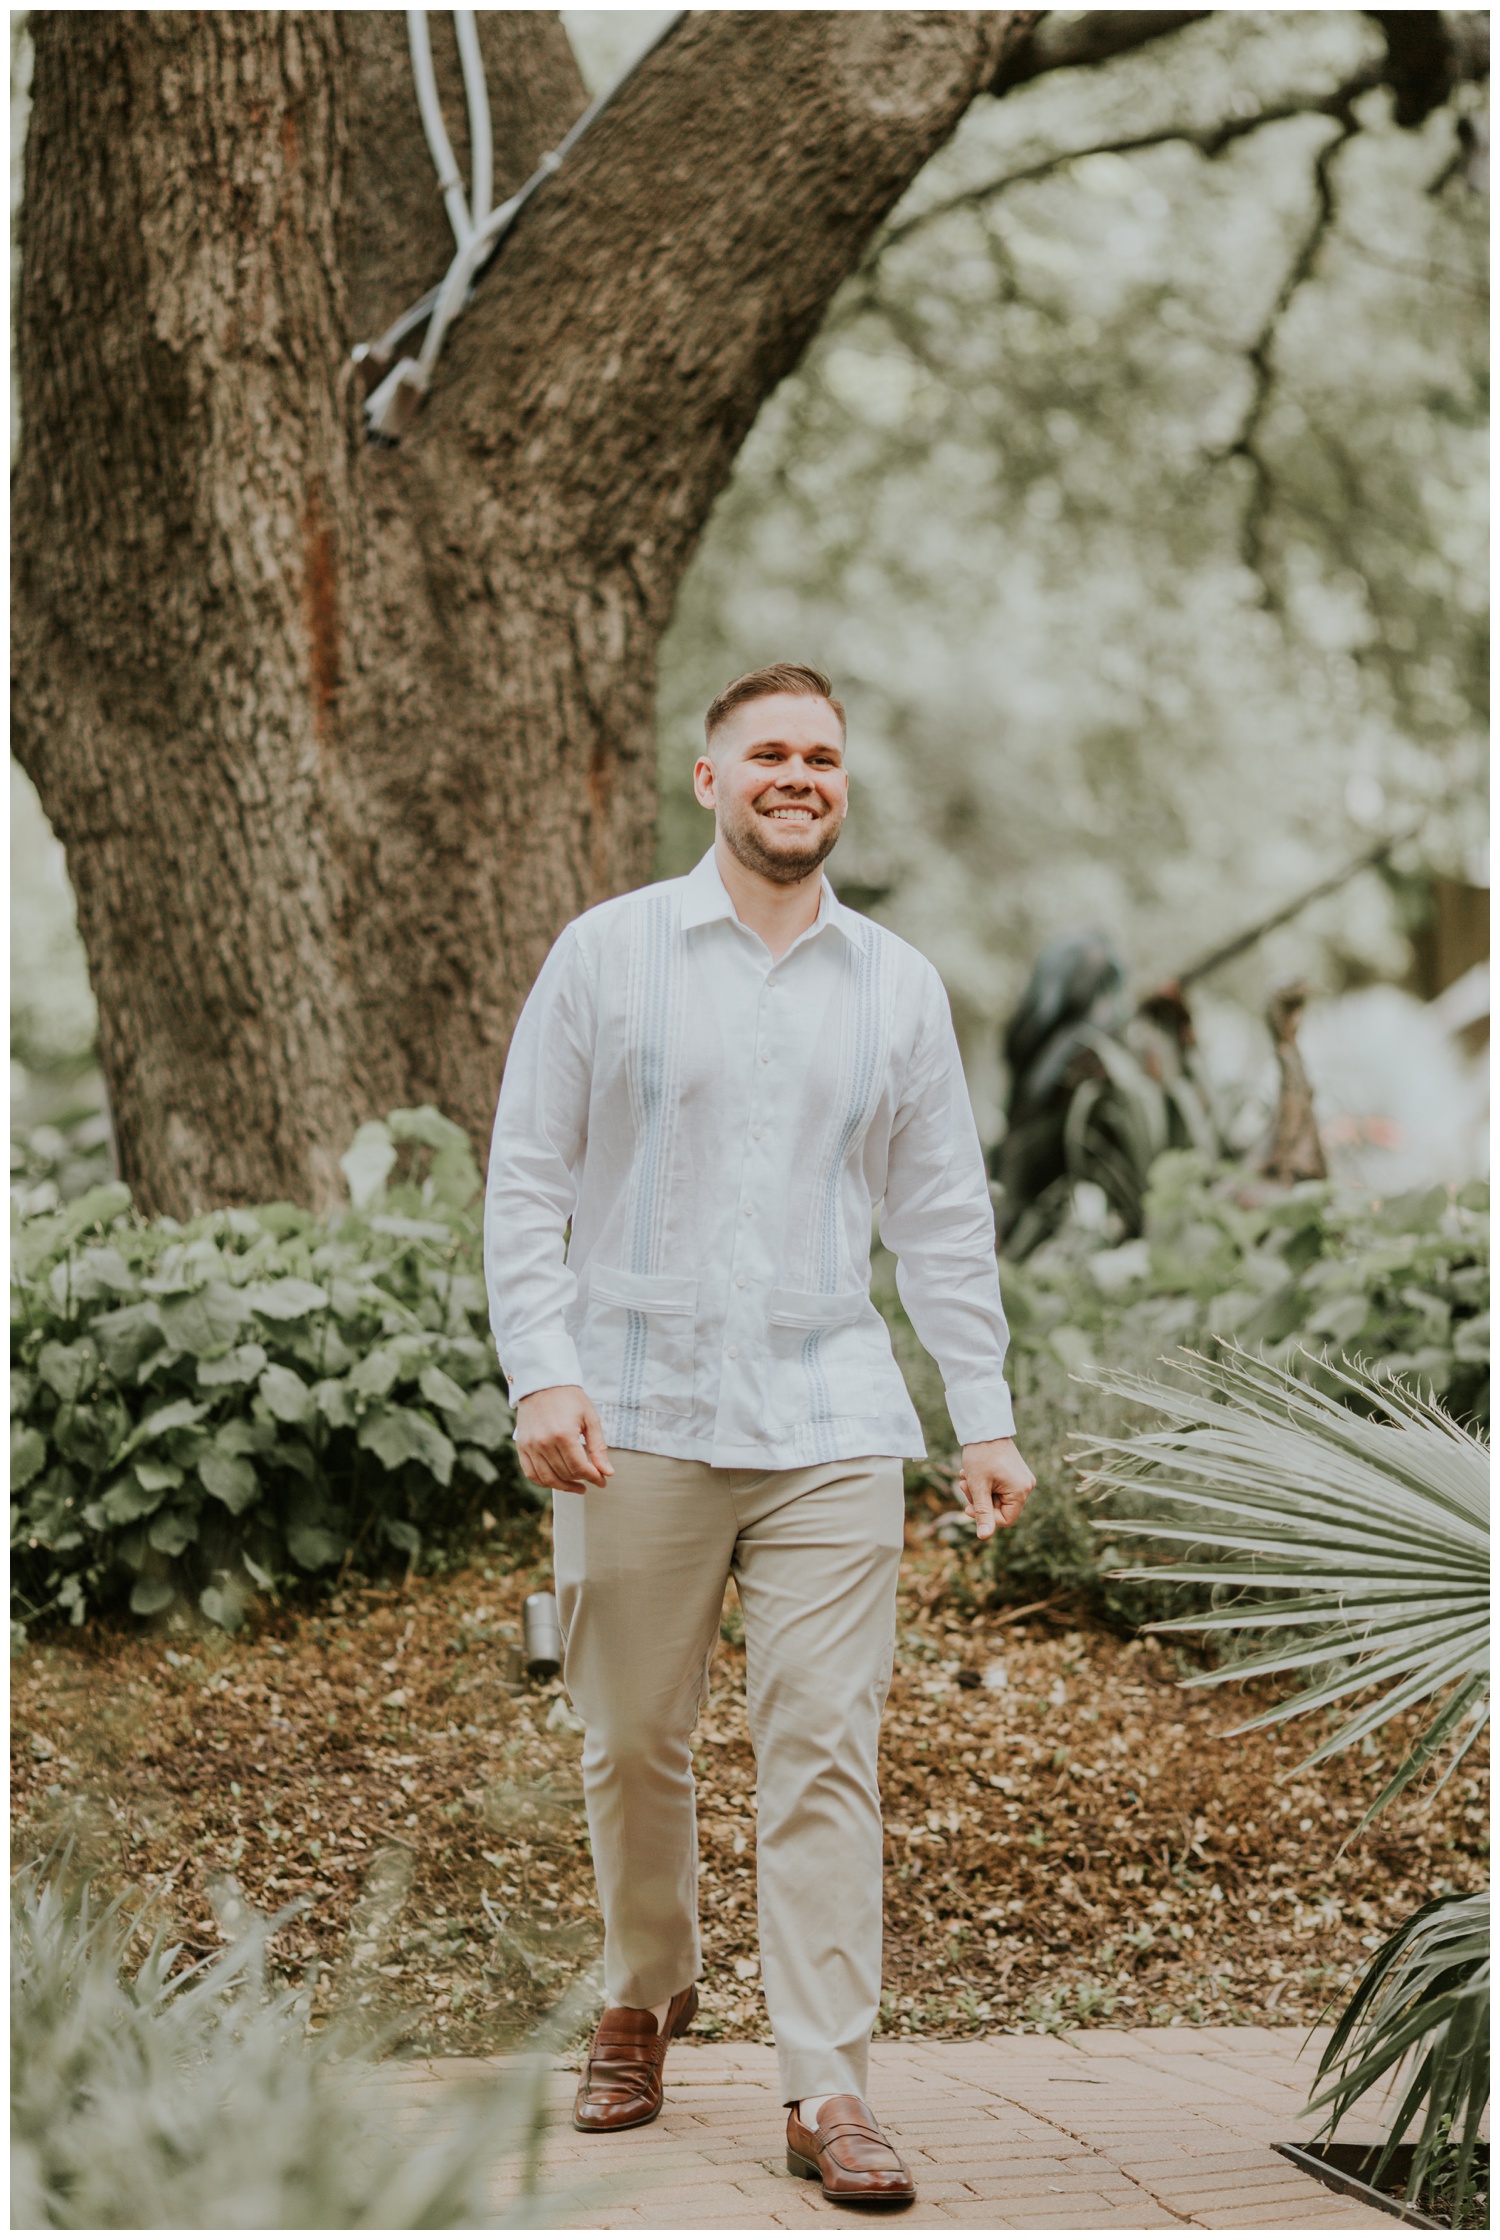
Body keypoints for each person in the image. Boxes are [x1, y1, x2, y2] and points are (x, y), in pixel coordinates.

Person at [484, 663, 1034, 2207]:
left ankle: (827, 2083)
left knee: (822, 1750)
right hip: (634, 1413)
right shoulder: (608, 957)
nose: (801, 774)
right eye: (770, 753)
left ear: (841, 788)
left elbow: (941, 1220)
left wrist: (978, 1416)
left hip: (830, 1415)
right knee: (630, 1739)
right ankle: (646, 1987)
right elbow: (528, 1177)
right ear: (711, 778)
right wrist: (544, 1373)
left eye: (825, 756)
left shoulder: (898, 985)